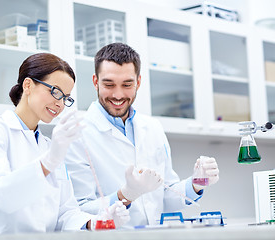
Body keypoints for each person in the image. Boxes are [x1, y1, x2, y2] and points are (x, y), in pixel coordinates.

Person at [0, 53, 129, 236]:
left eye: (65, 97)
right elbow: (0, 196)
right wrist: (48, 162)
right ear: (28, 85)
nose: (59, 104)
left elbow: (65, 211)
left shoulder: (50, 146)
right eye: (55, 91)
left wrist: (95, 222)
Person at [65, 43, 220, 227]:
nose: (118, 94)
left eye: (127, 84)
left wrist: (197, 182)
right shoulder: (76, 133)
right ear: (95, 82)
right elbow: (80, 210)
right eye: (109, 84)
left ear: (138, 82)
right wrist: (125, 195)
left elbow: (167, 195)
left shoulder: (153, 127)